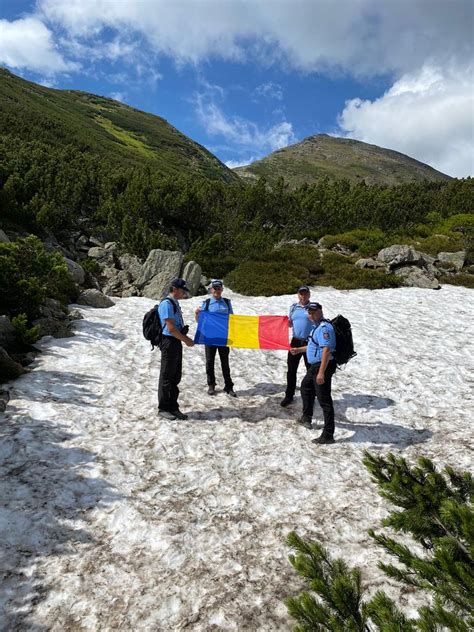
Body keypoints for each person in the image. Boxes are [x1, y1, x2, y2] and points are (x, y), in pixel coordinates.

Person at [290, 302, 337, 444]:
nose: (311, 315)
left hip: (322, 367)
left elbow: (326, 350)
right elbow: (313, 345)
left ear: (320, 311)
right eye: (309, 312)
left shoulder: (324, 328)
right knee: (306, 387)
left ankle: (328, 434)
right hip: (314, 367)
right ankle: (306, 417)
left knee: (324, 400)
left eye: (313, 312)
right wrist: (299, 350)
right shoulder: (315, 327)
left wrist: (321, 373)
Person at [157, 278, 195, 420]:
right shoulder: (167, 304)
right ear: (174, 289)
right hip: (169, 342)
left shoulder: (175, 303)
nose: (184, 293)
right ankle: (163, 408)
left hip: (176, 341)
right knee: (166, 376)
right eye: (182, 290)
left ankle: (173, 407)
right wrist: (187, 340)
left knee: (175, 376)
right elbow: (171, 328)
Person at [195, 279, 236, 397]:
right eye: (215, 288)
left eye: (219, 288)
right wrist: (197, 314)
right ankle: (211, 385)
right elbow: (199, 321)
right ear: (211, 289)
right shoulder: (207, 303)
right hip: (210, 337)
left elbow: (232, 319)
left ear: (222, 289)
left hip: (223, 337)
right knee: (209, 361)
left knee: (225, 362)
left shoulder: (227, 303)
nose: (217, 290)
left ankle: (229, 386)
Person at [280, 286, 313, 407]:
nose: (303, 296)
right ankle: (289, 395)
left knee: (311, 370)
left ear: (309, 295)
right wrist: (285, 322)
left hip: (310, 342)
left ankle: (311, 396)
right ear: (298, 295)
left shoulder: (313, 308)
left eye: (305, 294)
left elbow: (319, 322)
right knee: (291, 370)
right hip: (295, 341)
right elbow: (290, 324)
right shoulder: (293, 307)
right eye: (301, 294)